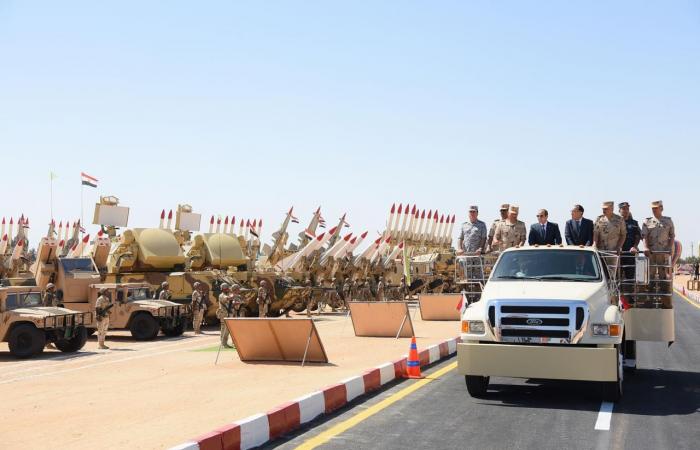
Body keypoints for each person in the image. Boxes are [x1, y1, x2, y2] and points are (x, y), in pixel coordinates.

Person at [642, 200, 675, 282]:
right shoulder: (647, 222)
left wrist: (670, 247)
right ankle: (650, 292)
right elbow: (644, 236)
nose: (654, 210)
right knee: (650, 275)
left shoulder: (668, 221)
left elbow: (672, 236)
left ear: (661, 208)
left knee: (663, 275)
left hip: (663, 252)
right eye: (653, 208)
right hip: (651, 253)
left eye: (656, 208)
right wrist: (646, 247)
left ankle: (664, 293)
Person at [457, 205, 488, 281]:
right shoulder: (464, 225)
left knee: (478, 277)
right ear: (468, 213)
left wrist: (480, 249)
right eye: (470, 212)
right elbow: (460, 238)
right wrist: (459, 249)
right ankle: (468, 292)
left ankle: (478, 292)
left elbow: (483, 238)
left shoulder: (482, 225)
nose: (472, 213)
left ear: (477, 213)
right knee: (467, 277)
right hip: (467, 254)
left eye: (474, 212)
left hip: (477, 255)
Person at [619, 202, 641, 283]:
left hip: (630, 253)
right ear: (619, 210)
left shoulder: (634, 223)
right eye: (623, 209)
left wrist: (635, 246)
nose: (625, 210)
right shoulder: (616, 222)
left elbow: (638, 236)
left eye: (627, 209)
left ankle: (629, 295)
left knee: (630, 277)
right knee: (616, 276)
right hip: (618, 252)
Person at [216, 283, 234, 348]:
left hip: (228, 313)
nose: (228, 289)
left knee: (228, 329)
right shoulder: (222, 295)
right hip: (224, 314)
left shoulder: (227, 294)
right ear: (224, 289)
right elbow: (228, 298)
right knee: (224, 329)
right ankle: (223, 344)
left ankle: (225, 343)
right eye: (227, 288)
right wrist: (234, 293)